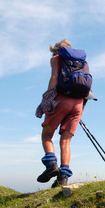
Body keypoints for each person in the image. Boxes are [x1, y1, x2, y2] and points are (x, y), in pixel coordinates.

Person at [36, 39, 85, 188]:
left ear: (56, 50)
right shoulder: (81, 62)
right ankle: (63, 176)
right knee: (66, 141)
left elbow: (54, 78)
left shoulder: (57, 58)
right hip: (78, 103)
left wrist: (47, 99)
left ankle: (51, 164)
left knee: (46, 135)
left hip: (61, 100)